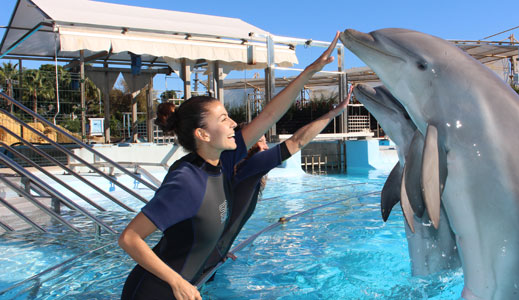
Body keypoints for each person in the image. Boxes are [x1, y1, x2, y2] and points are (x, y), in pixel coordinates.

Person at [119, 32, 342, 300]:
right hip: (154, 293)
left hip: (189, 285)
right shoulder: (186, 180)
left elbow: (269, 115)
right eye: (223, 119)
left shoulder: (223, 160)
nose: (233, 124)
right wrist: (177, 282)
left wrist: (310, 71)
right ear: (202, 134)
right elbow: (129, 238)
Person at [201, 86, 354, 284]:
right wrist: (334, 113)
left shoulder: (236, 171)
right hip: (203, 262)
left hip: (210, 256)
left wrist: (221, 247)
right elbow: (297, 141)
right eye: (262, 142)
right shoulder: (252, 165)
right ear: (248, 147)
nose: (265, 148)